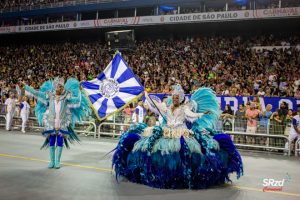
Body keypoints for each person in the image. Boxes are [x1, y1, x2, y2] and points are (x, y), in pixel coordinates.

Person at [113, 84, 243, 189]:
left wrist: (202, 114)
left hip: (181, 132)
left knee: (183, 151)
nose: (175, 99)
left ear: (180, 98)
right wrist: (146, 94)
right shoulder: (167, 107)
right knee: (158, 150)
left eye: (177, 97)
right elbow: (155, 105)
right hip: (167, 131)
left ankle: (182, 175)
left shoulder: (184, 108)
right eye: (173, 97)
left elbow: (191, 115)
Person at [22, 77, 90, 169]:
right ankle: (52, 161)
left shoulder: (66, 97)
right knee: (51, 141)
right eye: (59, 87)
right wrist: (26, 87)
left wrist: (80, 90)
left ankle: (57, 161)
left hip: (62, 124)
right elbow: (36, 93)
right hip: (51, 123)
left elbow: (77, 100)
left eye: (61, 87)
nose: (60, 88)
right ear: (55, 87)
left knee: (60, 142)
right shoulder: (49, 95)